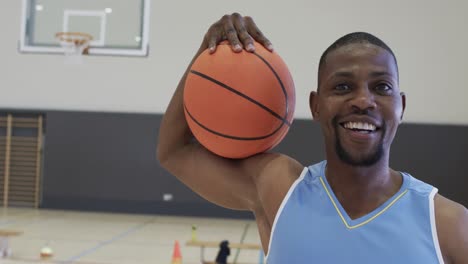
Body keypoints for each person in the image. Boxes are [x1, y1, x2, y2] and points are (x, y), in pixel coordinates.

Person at [157, 13, 468, 263]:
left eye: (381, 87)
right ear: (315, 105)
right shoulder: (279, 187)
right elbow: (174, 151)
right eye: (343, 86)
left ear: (401, 106)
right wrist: (208, 54)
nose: (363, 100)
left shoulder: (447, 223)